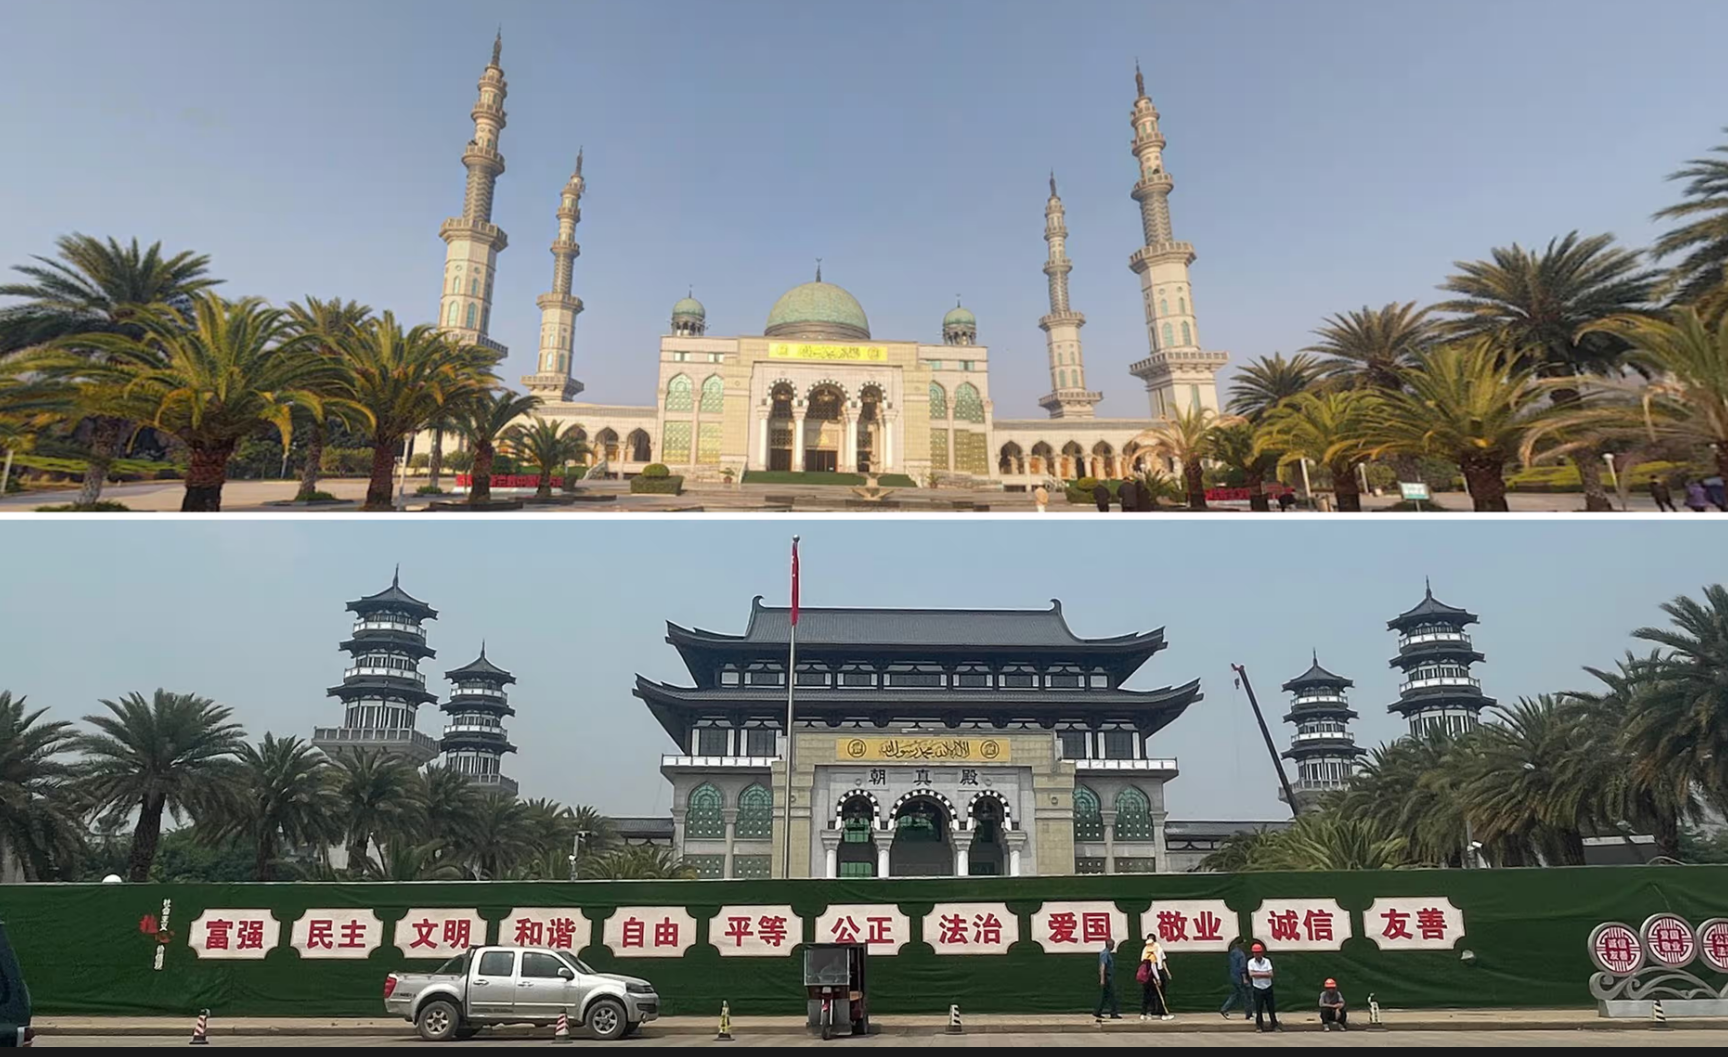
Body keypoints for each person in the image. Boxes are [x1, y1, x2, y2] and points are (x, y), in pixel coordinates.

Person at [1138, 935, 1174, 1021]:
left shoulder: (1146, 950)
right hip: (1154, 974)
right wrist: (1157, 978)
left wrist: (1167, 972)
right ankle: (1163, 1014)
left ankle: (1144, 1013)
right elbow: (1153, 966)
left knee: (1147, 994)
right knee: (1159, 994)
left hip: (1147, 975)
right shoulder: (1154, 950)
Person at [1246, 942, 1280, 1032]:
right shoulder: (1251, 962)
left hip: (1268, 987)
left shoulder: (1267, 961)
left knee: (1271, 1008)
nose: (1257, 954)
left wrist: (1257, 973)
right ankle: (1259, 1026)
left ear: (1262, 953)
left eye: (1259, 952)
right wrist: (1265, 973)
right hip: (1257, 988)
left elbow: (1271, 974)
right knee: (1258, 1008)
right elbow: (1251, 974)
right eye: (1255, 953)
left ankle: (1275, 1025)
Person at [1219, 938, 1252, 1021]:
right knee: (1246, 995)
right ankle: (1248, 1013)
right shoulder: (1241, 954)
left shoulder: (1233, 953)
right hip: (1240, 978)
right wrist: (1244, 978)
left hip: (1233, 976)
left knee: (1236, 994)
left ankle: (1225, 1008)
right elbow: (1242, 967)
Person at [1093, 939, 1122, 1021]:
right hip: (1107, 977)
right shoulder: (1105, 954)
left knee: (1105, 996)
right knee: (1112, 995)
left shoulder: (1107, 953)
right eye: (1113, 944)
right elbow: (1102, 966)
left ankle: (1097, 1012)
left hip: (1108, 976)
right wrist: (1102, 979)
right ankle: (1114, 1013)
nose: (1113, 946)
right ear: (1109, 945)